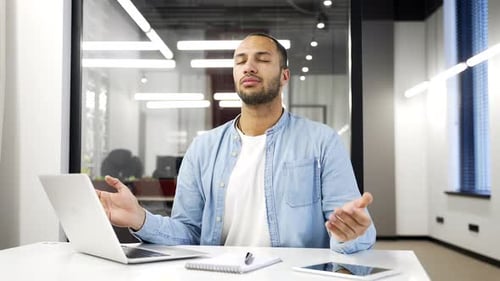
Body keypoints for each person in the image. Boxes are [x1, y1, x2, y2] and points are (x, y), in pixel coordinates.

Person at [97, 33, 376, 254]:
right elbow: (188, 232)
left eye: (262, 59)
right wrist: (140, 219)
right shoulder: (203, 148)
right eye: (240, 60)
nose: (249, 67)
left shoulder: (322, 141)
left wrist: (352, 234)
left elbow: (348, 229)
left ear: (284, 76)